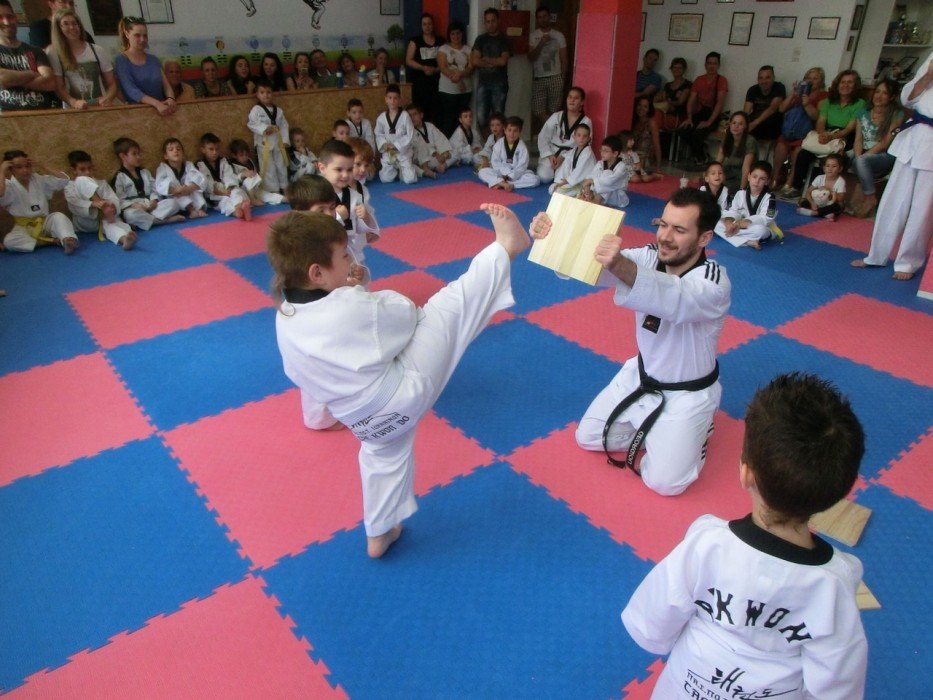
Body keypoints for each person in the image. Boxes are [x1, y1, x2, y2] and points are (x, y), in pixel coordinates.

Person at [269, 203, 529, 557]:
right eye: (343, 256)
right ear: (317, 273)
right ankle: (507, 247)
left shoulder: (285, 319)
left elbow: (308, 373)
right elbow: (406, 315)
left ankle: (379, 532)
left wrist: (349, 293)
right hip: (401, 395)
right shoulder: (349, 306)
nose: (350, 260)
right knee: (448, 309)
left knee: (383, 458)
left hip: (362, 421)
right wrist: (359, 293)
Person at [622, 372, 868, 700]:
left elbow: (651, 624)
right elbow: (838, 685)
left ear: (745, 472)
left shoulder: (707, 544)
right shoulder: (834, 583)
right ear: (839, 494)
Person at [531, 187, 729, 496]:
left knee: (665, 483)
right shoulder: (649, 256)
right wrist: (554, 233)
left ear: (704, 238)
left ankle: (698, 429)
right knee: (588, 437)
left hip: (687, 394)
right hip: (640, 377)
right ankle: (663, 433)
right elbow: (592, 267)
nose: (665, 237)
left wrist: (619, 265)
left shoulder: (713, 282)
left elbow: (675, 297)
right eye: (663, 224)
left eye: (679, 230)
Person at [852, 51, 933, 281]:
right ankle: (876, 255)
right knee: (892, 201)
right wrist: (928, 76)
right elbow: (908, 99)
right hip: (914, 137)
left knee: (922, 209)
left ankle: (908, 262)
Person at [785, 70, 865, 197]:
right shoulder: (829, 101)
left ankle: (829, 192)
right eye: (843, 82)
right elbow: (821, 121)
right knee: (803, 154)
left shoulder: (860, 103)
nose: (845, 85)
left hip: (844, 136)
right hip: (826, 133)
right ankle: (796, 187)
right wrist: (823, 134)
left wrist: (831, 136)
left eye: (850, 82)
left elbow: (850, 128)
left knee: (834, 160)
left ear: (855, 85)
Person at [316, 138, 379, 275]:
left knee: (359, 280)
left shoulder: (355, 194)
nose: (345, 175)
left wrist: (367, 219)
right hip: (327, 252)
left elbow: (358, 224)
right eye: (339, 169)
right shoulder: (317, 194)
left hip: (353, 248)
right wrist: (339, 217)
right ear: (322, 168)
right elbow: (316, 228)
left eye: (349, 169)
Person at [1, 149, 78, 253]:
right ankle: (52, 241)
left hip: (45, 222)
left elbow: (64, 180)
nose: (25, 170)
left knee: (59, 217)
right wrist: (2, 171)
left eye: (27, 166)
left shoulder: (39, 179)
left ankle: (67, 240)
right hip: (24, 227)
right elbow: (0, 193)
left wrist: (43, 165)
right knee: (9, 241)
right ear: (11, 170)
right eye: (19, 167)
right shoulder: (8, 185)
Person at [851, 78, 903, 218]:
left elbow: (885, 143)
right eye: (877, 91)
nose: (879, 96)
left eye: (884, 93)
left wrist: (862, 158)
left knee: (861, 161)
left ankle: (870, 198)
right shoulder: (862, 112)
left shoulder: (897, 115)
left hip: (884, 155)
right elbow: (858, 139)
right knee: (842, 158)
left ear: (891, 97)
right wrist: (858, 157)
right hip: (862, 152)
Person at [64, 149, 136, 250]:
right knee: (81, 180)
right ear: (73, 170)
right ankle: (101, 205)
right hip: (87, 222)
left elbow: (114, 199)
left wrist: (111, 205)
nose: (87, 172)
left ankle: (125, 240)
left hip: (105, 219)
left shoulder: (101, 183)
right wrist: (93, 204)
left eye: (90, 168)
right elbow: (74, 205)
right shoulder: (69, 187)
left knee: (112, 225)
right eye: (82, 169)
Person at [111, 136, 184, 230]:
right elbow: (119, 200)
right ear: (123, 156)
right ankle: (163, 221)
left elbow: (154, 190)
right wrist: (133, 205)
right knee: (130, 215)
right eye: (134, 154)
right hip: (135, 208)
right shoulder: (119, 177)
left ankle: (145, 221)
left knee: (174, 203)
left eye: (139, 153)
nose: (138, 157)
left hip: (150, 206)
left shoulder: (145, 172)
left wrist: (154, 201)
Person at [48, 8, 117, 109]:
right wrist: (73, 102)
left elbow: (112, 84)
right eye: (66, 24)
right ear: (58, 28)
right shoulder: (55, 54)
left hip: (100, 107)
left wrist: (108, 98)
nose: (72, 27)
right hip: (74, 110)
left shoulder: (97, 50)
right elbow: (59, 88)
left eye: (74, 23)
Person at [772, 67, 826, 192]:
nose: (811, 81)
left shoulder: (823, 96)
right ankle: (775, 177)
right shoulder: (799, 93)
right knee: (781, 146)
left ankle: (790, 181)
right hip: (790, 131)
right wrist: (793, 94)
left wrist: (807, 104)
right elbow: (781, 109)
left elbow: (817, 117)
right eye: (808, 78)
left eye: (815, 78)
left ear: (821, 81)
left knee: (798, 151)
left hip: (807, 134)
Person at [0, 0, 59, 112]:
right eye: (0, 18)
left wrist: (12, 80)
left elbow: (49, 82)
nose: (6, 22)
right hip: (9, 116)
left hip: (44, 112)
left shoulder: (35, 51)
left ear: (15, 18)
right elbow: (2, 79)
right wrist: (33, 74)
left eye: (9, 17)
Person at [113, 17, 175, 115]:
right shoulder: (121, 60)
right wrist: (156, 104)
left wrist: (171, 98)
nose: (142, 39)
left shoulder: (154, 60)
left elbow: (166, 85)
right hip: (137, 114)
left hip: (162, 111)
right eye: (137, 35)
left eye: (145, 36)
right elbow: (131, 90)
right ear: (127, 34)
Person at [679, 51, 728, 166]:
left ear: (718, 65)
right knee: (683, 131)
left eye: (714, 63)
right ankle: (701, 154)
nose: (711, 66)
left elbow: (719, 103)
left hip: (713, 115)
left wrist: (709, 121)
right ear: (705, 65)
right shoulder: (699, 80)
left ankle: (700, 157)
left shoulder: (722, 80)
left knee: (698, 134)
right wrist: (689, 118)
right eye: (709, 63)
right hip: (699, 113)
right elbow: (691, 100)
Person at [537, 86, 591, 183]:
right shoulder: (556, 116)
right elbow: (543, 137)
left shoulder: (586, 121)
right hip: (552, 151)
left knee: (561, 180)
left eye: (576, 98)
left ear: (582, 102)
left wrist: (563, 157)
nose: (572, 100)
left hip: (570, 155)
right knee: (544, 177)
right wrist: (549, 155)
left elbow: (585, 144)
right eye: (570, 97)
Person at [715, 160, 775, 249]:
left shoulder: (769, 197)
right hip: (739, 226)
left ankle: (735, 237)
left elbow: (766, 218)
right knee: (716, 223)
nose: (757, 181)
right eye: (754, 177)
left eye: (762, 179)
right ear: (749, 177)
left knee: (760, 230)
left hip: (756, 227)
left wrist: (740, 224)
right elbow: (733, 211)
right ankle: (747, 241)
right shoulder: (741, 193)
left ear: (767, 181)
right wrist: (729, 223)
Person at [248, 78, 291, 194]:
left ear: (272, 94)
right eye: (262, 92)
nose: (266, 95)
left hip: (278, 142)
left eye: (268, 92)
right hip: (264, 144)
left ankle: (285, 186)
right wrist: (264, 129)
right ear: (257, 94)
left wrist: (285, 141)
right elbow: (252, 123)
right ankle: (273, 190)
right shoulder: (256, 110)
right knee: (268, 167)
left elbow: (284, 125)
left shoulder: (279, 110)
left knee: (281, 165)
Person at [472, 8, 511, 132]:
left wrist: (486, 59)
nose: (490, 24)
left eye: (493, 21)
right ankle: (487, 142)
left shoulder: (504, 39)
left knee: (498, 118)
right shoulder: (480, 39)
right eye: (487, 21)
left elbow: (503, 61)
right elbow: (475, 60)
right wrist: (493, 62)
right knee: (481, 118)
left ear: (498, 21)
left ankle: (498, 142)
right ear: (485, 23)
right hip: (483, 83)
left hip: (500, 84)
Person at [196, 132, 252, 220]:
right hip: (215, 195)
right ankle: (237, 213)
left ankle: (240, 207)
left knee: (237, 191)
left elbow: (229, 175)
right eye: (211, 149)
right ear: (203, 150)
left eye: (217, 149)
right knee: (224, 202)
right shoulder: (200, 165)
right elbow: (205, 182)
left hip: (228, 189)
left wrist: (229, 188)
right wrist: (220, 192)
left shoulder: (224, 161)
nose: (214, 152)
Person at [528, 6, 567, 127]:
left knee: (555, 110)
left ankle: (550, 133)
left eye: (545, 16)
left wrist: (563, 77)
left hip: (556, 76)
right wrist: (541, 43)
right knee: (537, 109)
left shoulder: (559, 35)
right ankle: (554, 129)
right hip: (539, 77)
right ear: (537, 19)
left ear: (549, 17)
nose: (542, 19)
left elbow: (564, 58)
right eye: (540, 17)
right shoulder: (533, 36)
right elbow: (531, 57)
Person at [478, 116, 539, 190]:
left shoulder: (522, 147)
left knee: (535, 179)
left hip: (515, 175)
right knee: (482, 172)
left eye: (515, 131)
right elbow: (495, 163)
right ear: (504, 130)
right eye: (509, 130)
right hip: (501, 172)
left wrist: (511, 176)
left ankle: (504, 184)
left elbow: (522, 167)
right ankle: (503, 183)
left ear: (520, 132)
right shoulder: (499, 144)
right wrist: (505, 173)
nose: (512, 134)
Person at [375, 83, 418, 184]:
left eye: (395, 98)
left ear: (399, 99)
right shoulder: (381, 117)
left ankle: (404, 168)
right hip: (389, 151)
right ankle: (396, 169)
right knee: (385, 179)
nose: (392, 101)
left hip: (402, 151)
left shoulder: (405, 116)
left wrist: (396, 145)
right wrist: (385, 144)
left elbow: (410, 135)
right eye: (390, 98)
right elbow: (378, 134)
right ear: (385, 99)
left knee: (410, 179)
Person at [437, 21, 473, 137]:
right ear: (449, 35)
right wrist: (459, 80)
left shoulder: (468, 50)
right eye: (453, 33)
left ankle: (463, 142)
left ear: (462, 34)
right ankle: (447, 144)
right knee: (449, 119)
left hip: (465, 90)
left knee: (463, 120)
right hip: (448, 91)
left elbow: (471, 67)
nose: (456, 36)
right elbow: (443, 67)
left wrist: (460, 76)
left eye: (458, 33)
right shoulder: (443, 49)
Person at [155, 137, 208, 218]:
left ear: (183, 154)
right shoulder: (162, 168)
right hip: (175, 196)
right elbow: (159, 186)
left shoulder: (188, 165)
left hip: (189, 192)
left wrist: (189, 188)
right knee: (171, 182)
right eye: (171, 149)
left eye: (178, 149)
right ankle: (191, 210)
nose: (175, 151)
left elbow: (202, 179)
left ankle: (200, 208)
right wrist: (177, 190)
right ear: (166, 156)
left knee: (193, 179)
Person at [228, 137, 284, 205]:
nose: (245, 157)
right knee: (249, 179)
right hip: (242, 190)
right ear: (234, 155)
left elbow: (255, 174)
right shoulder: (231, 165)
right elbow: (231, 180)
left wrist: (254, 174)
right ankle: (252, 200)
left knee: (266, 195)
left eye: (246, 155)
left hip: (253, 189)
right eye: (241, 155)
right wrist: (242, 174)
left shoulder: (249, 161)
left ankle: (285, 199)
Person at [580, 134, 630, 208]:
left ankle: (596, 201)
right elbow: (591, 176)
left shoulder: (622, 166)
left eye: (606, 151)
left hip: (617, 197)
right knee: (590, 182)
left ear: (615, 153)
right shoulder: (600, 163)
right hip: (600, 194)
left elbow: (609, 181)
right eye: (601, 150)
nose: (602, 153)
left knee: (607, 174)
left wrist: (591, 181)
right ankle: (590, 198)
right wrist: (587, 186)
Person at [548, 123, 595, 197]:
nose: (581, 138)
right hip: (572, 182)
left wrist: (567, 181)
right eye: (579, 135)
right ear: (574, 137)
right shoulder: (573, 151)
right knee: (552, 188)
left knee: (558, 192)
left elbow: (580, 171)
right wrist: (560, 181)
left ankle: (581, 193)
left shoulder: (588, 153)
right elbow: (565, 167)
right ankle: (575, 193)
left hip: (583, 183)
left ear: (589, 138)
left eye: (585, 136)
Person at [715, 111, 757, 192]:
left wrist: (742, 190)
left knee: (724, 188)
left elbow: (746, 168)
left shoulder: (750, 141)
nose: (736, 126)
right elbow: (718, 162)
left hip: (742, 176)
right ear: (730, 124)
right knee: (711, 180)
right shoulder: (727, 139)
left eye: (740, 124)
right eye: (734, 123)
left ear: (745, 127)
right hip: (729, 172)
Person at [797, 152, 846, 221]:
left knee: (839, 206)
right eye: (827, 166)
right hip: (818, 204)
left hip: (830, 205)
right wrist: (812, 203)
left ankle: (815, 213)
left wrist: (829, 191)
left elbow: (841, 198)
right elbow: (808, 192)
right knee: (802, 201)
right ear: (824, 168)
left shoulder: (840, 181)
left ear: (840, 169)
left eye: (834, 166)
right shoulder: (819, 178)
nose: (830, 169)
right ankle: (825, 214)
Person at [408, 103, 451, 179]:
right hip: (421, 160)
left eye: (414, 114)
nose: (412, 118)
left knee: (454, 152)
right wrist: (436, 154)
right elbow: (419, 149)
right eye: (410, 116)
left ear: (421, 115)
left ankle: (440, 166)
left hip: (435, 158)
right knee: (408, 165)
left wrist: (444, 153)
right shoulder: (409, 131)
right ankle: (425, 171)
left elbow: (440, 139)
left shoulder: (430, 126)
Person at [743, 65, 786, 142]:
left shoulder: (779, 87)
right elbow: (746, 111)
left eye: (767, 77)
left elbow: (772, 108)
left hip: (772, 127)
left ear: (773, 78)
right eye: (761, 78)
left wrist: (754, 124)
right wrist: (741, 122)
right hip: (754, 127)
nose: (764, 81)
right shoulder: (753, 90)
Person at [653, 56, 691, 133]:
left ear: (684, 69)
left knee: (657, 114)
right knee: (652, 109)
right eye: (675, 67)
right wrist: (657, 98)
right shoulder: (667, 85)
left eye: (679, 68)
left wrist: (668, 102)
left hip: (677, 115)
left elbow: (680, 102)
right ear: (671, 69)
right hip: (664, 111)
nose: (677, 70)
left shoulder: (687, 84)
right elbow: (662, 98)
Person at [631, 96, 664, 181]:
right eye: (639, 105)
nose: (641, 108)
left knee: (640, 178)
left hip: (646, 161)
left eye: (645, 107)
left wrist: (658, 167)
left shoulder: (651, 123)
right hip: (633, 158)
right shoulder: (633, 121)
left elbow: (657, 145)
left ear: (649, 109)